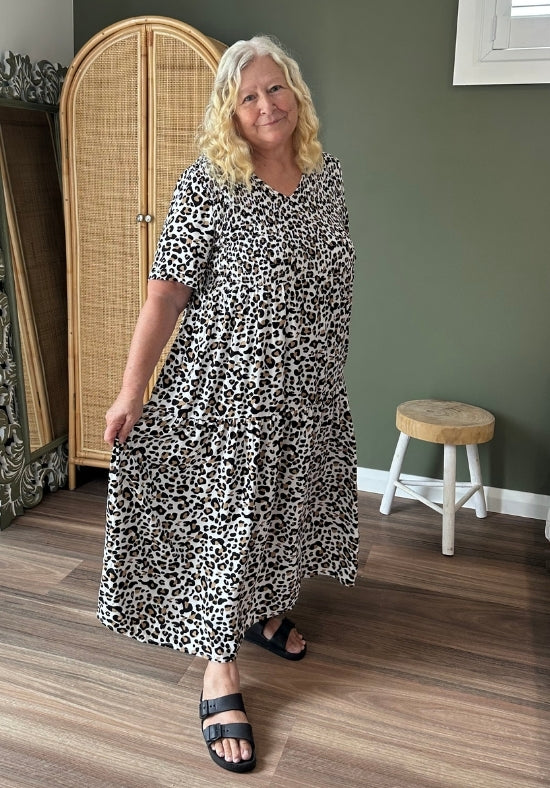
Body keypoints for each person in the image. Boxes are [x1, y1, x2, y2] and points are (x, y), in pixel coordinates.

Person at [98, 34, 358, 774]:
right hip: (224, 394)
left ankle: (262, 609)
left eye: (275, 88)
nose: (266, 104)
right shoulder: (208, 184)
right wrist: (130, 390)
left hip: (306, 389)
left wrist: (325, 375)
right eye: (248, 96)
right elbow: (165, 297)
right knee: (227, 519)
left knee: (283, 509)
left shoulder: (325, 177)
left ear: (295, 94)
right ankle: (219, 666)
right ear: (230, 111)